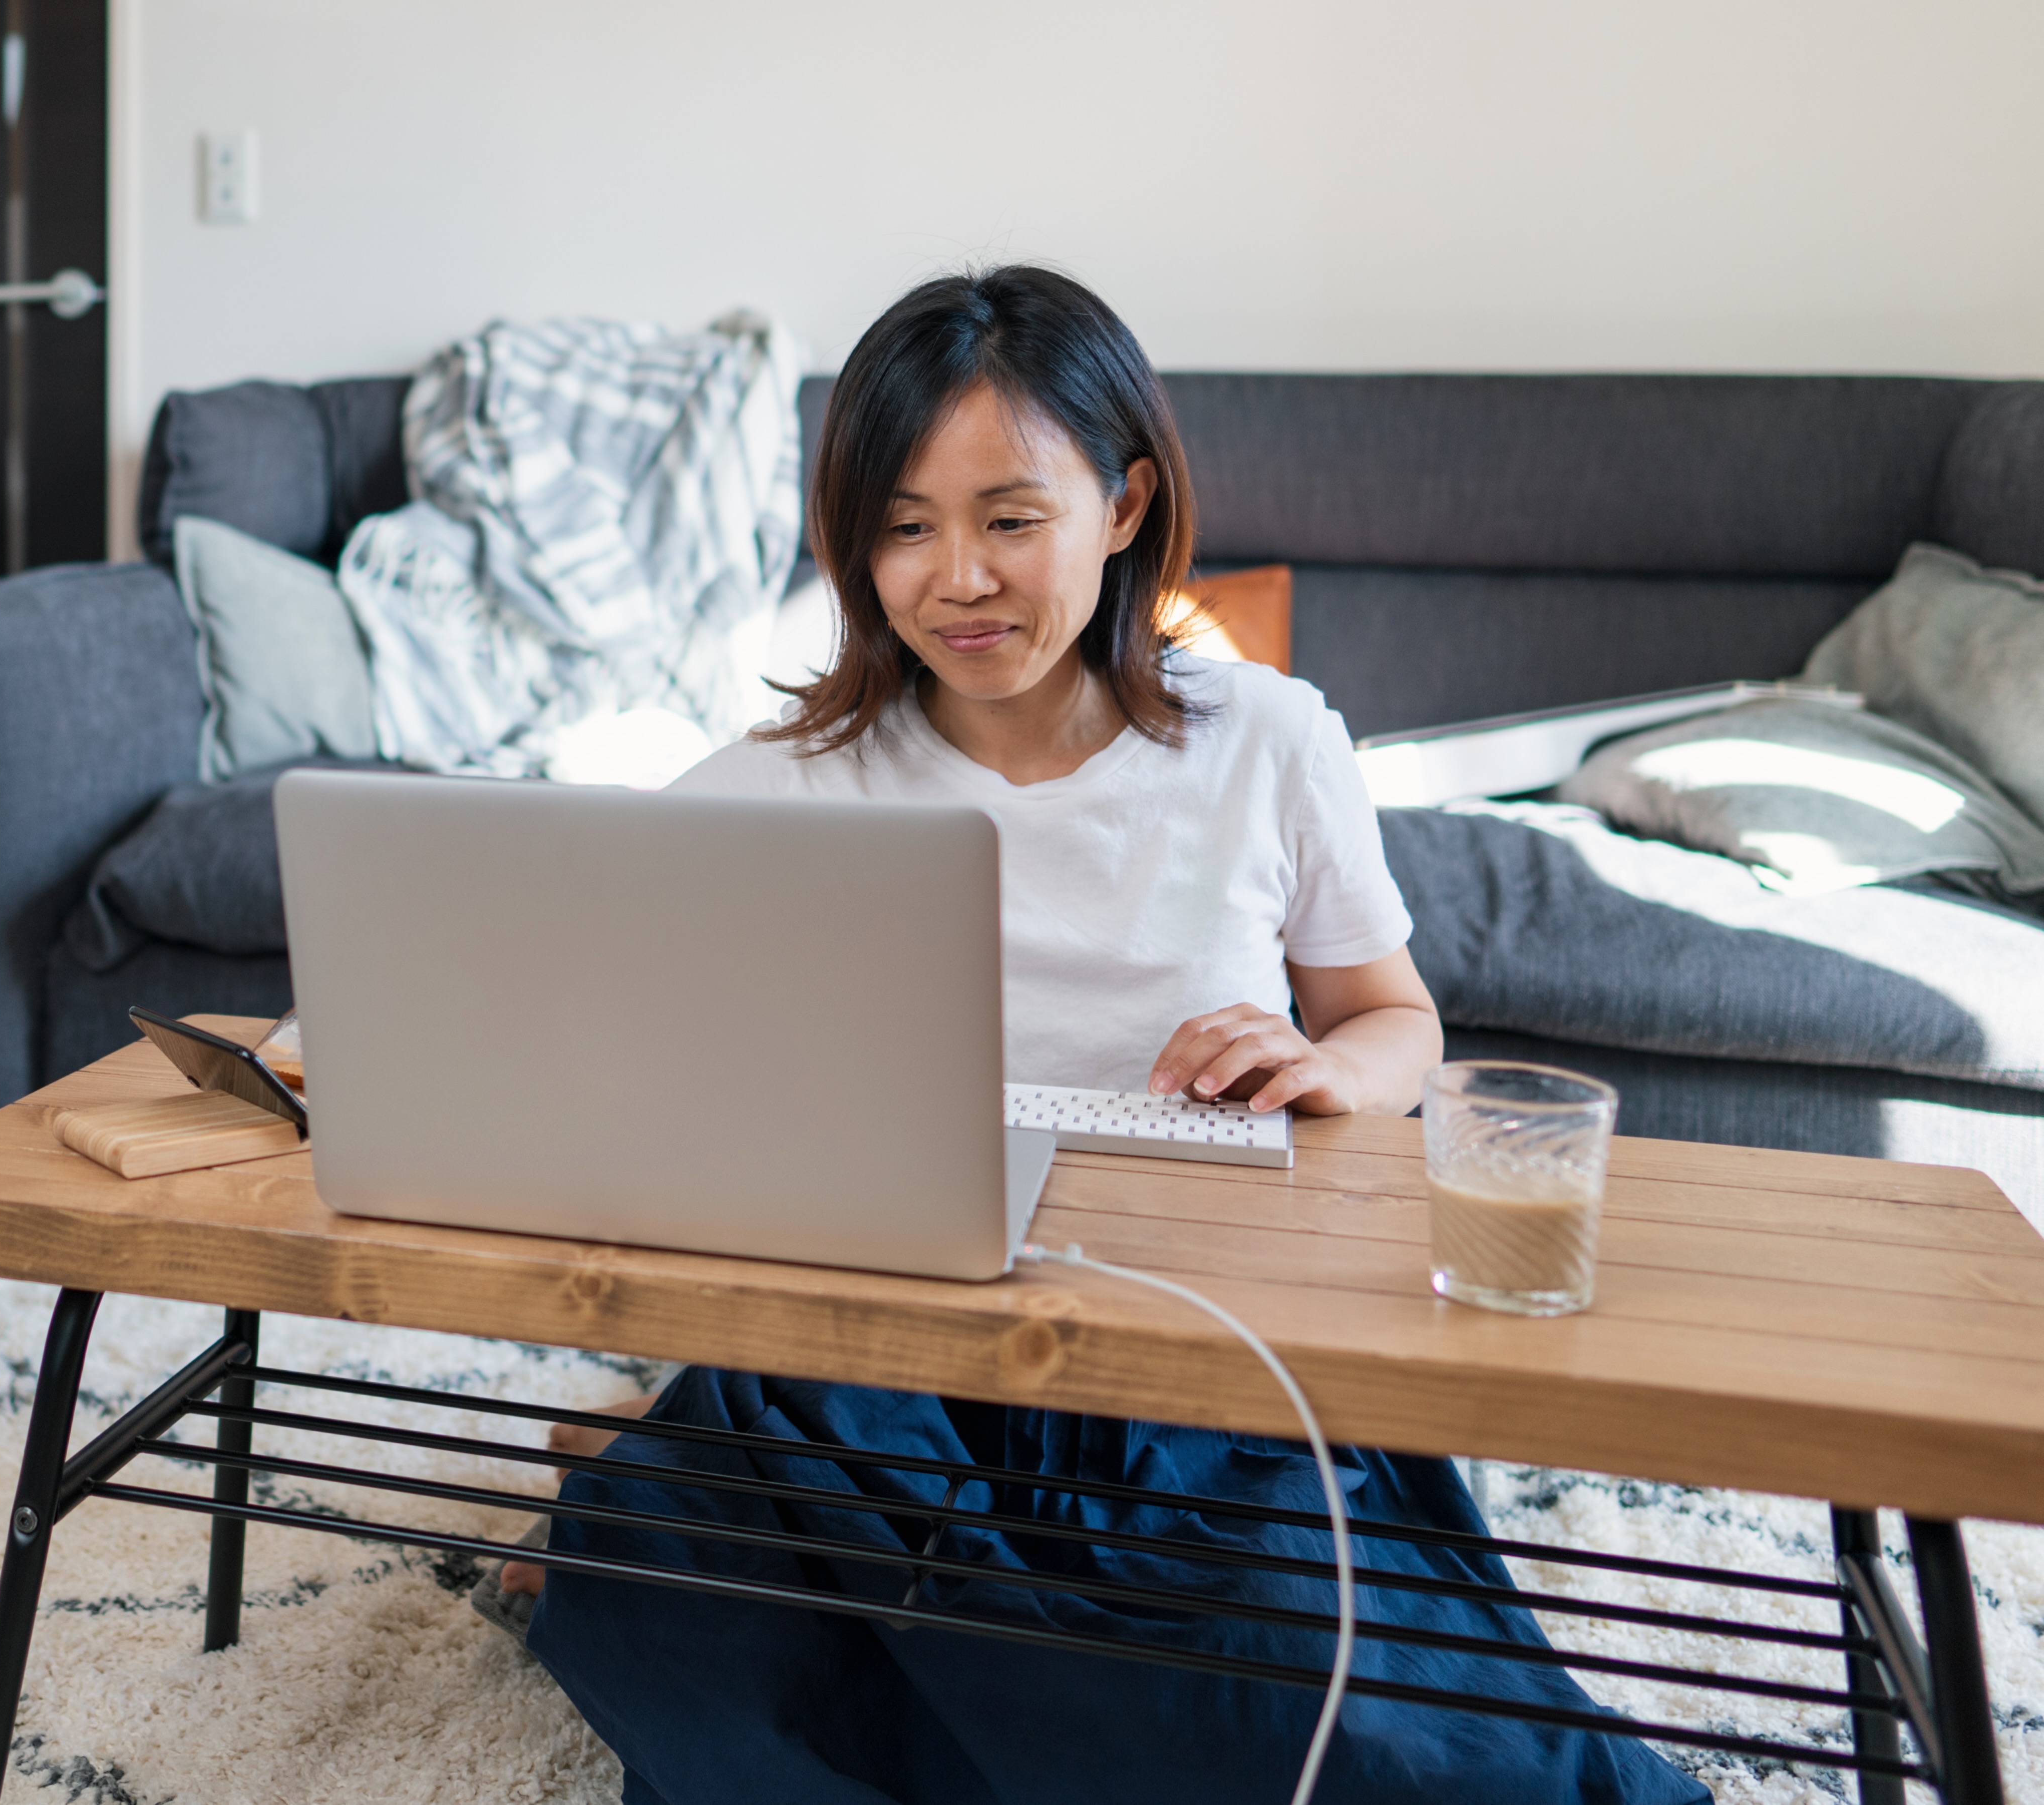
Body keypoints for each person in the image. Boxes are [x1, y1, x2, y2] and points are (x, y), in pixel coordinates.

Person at [504, 267, 1707, 1805]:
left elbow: (1394, 1022)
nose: (958, 578)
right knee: (674, 1625)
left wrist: (1338, 1072)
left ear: (1125, 504)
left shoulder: (1268, 739)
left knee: (1323, 1735)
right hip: (873, 1361)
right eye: (903, 525)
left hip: (1193, 1366)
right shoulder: (784, 778)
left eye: (1012, 518)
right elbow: (556, 965)